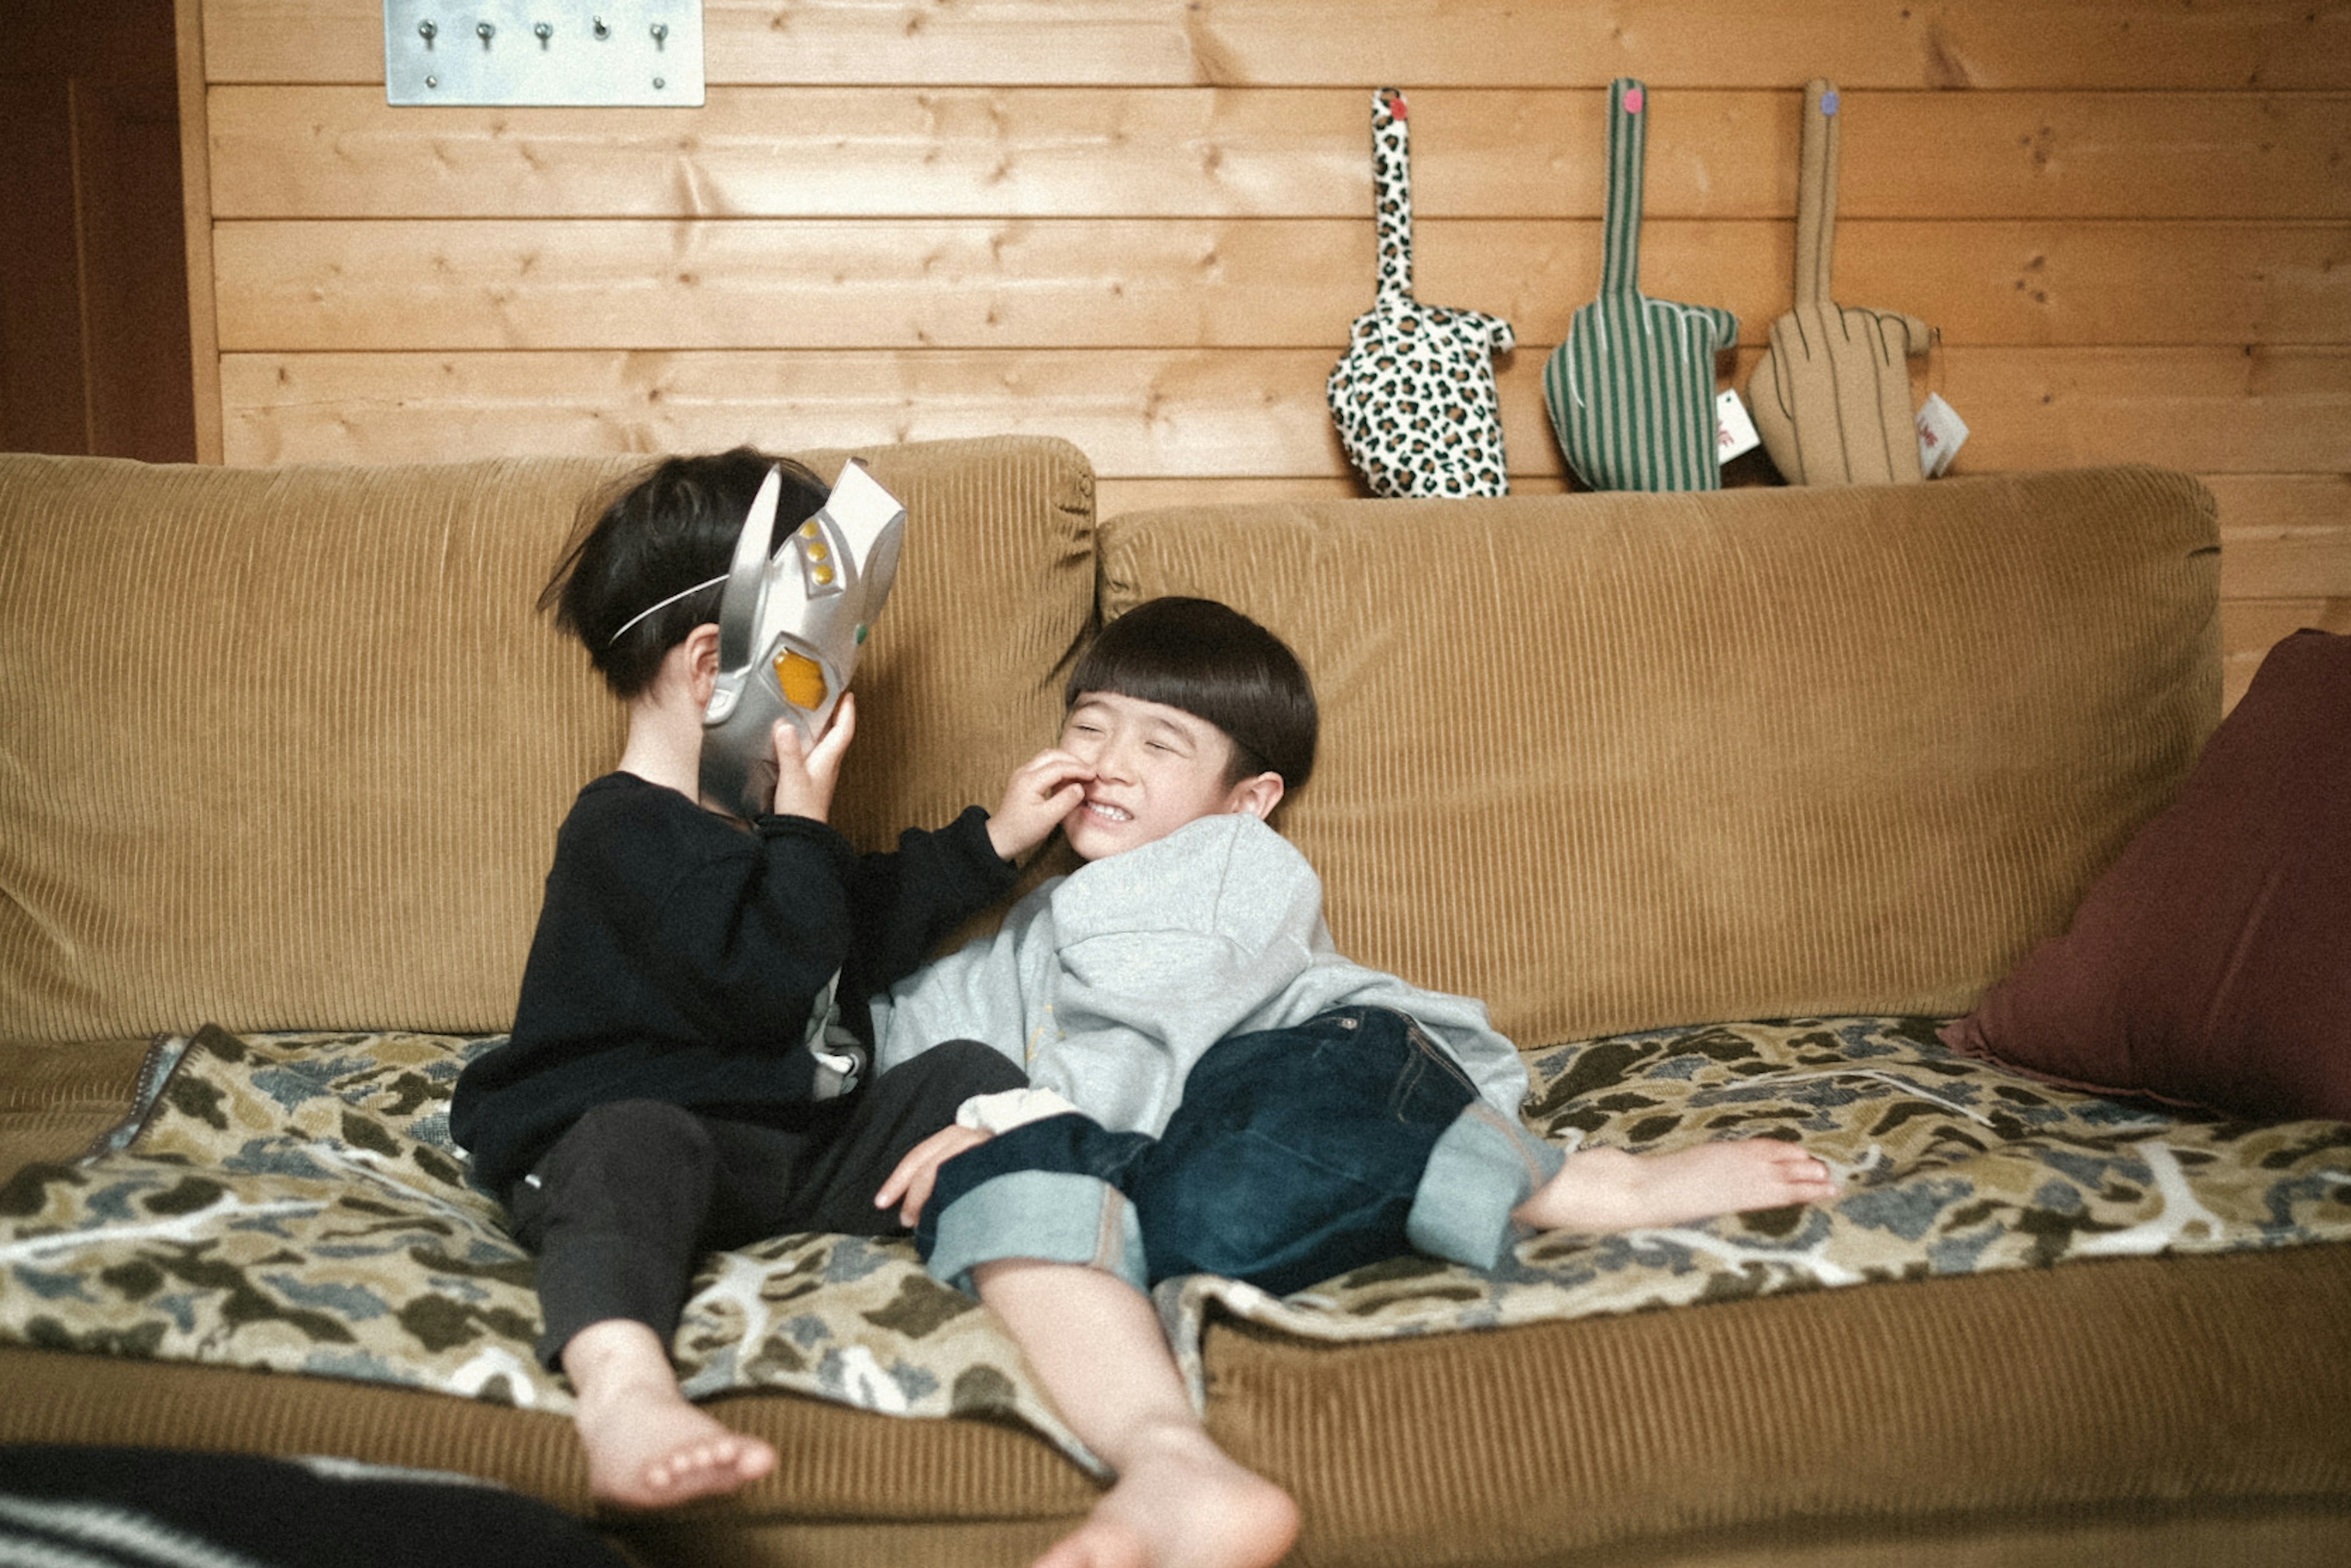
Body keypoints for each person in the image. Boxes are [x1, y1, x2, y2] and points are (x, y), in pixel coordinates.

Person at [866, 596, 1840, 1568]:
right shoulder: (1031, 927)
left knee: (1208, 1166)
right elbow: (910, 1035)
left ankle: (1577, 1182)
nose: (1109, 760)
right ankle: (1169, 1464)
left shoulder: (1238, 862)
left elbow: (1165, 1017)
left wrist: (1016, 1109)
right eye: (1088, 728)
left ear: (1247, 799)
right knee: (1001, 1183)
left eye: (1160, 744)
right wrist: (964, 1107)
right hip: (1161, 1174)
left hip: (1316, 1089)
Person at [449, 449, 1063, 1510]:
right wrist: (803, 827)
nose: (842, 698)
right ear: (710, 666)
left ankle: (1039, 1257)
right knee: (628, 1142)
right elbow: (768, 978)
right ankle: (624, 1390)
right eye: (825, 666)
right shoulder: (625, 830)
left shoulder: (770, 841)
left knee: (968, 1070)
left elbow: (853, 923)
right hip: (642, 1125)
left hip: (781, 1146)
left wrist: (992, 844)